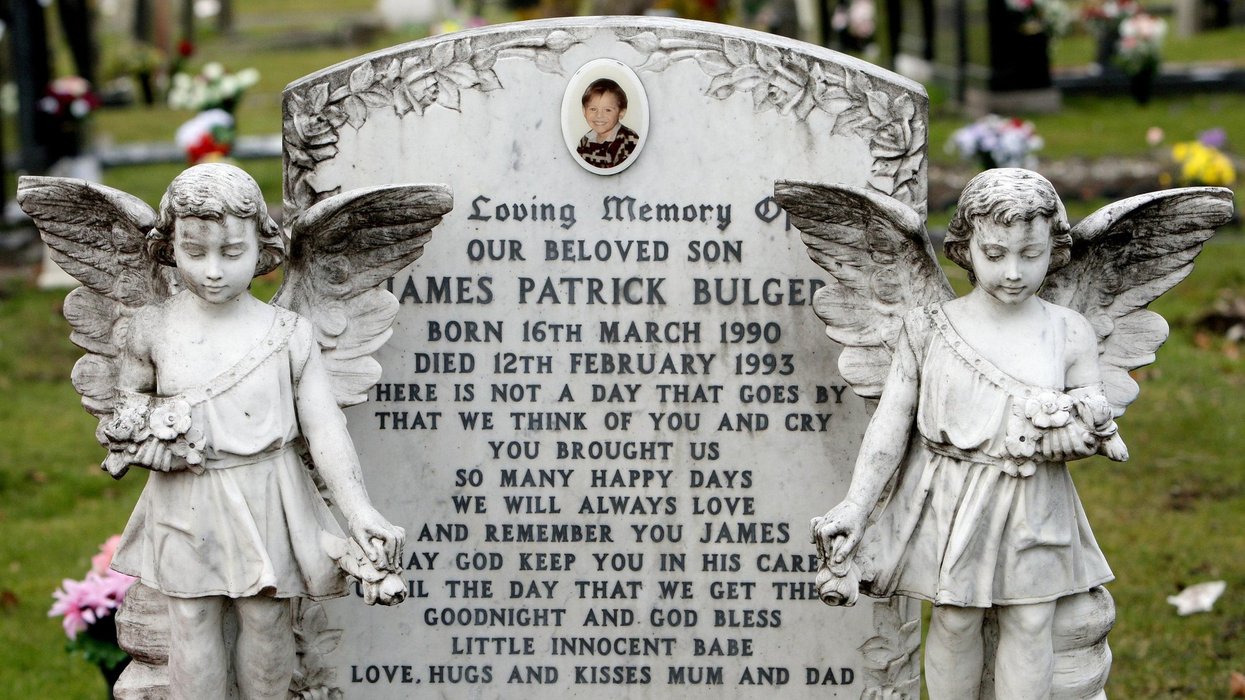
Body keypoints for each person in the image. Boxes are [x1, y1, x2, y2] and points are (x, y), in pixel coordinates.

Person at [812, 169, 1125, 699]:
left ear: (1056, 246)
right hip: (951, 498)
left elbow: (1090, 412)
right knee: (955, 621)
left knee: (1030, 623)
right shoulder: (928, 328)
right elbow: (891, 424)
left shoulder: (1069, 331)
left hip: (1034, 500)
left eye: (1031, 254)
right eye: (995, 253)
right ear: (964, 247)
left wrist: (1081, 433)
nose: (1013, 271)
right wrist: (855, 507)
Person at [107, 164, 404, 700]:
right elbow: (126, 408)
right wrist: (146, 437)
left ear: (263, 247)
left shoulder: (288, 334)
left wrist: (360, 513)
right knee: (192, 617)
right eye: (195, 253)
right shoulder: (152, 328)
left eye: (231, 251)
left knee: (267, 619)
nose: (213, 270)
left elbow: (324, 428)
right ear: (171, 247)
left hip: (269, 489)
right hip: (186, 496)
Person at [576, 78, 639, 169]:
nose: (599, 115)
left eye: (607, 110)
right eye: (593, 109)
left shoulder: (629, 141)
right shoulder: (585, 141)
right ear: (584, 111)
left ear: (621, 112)